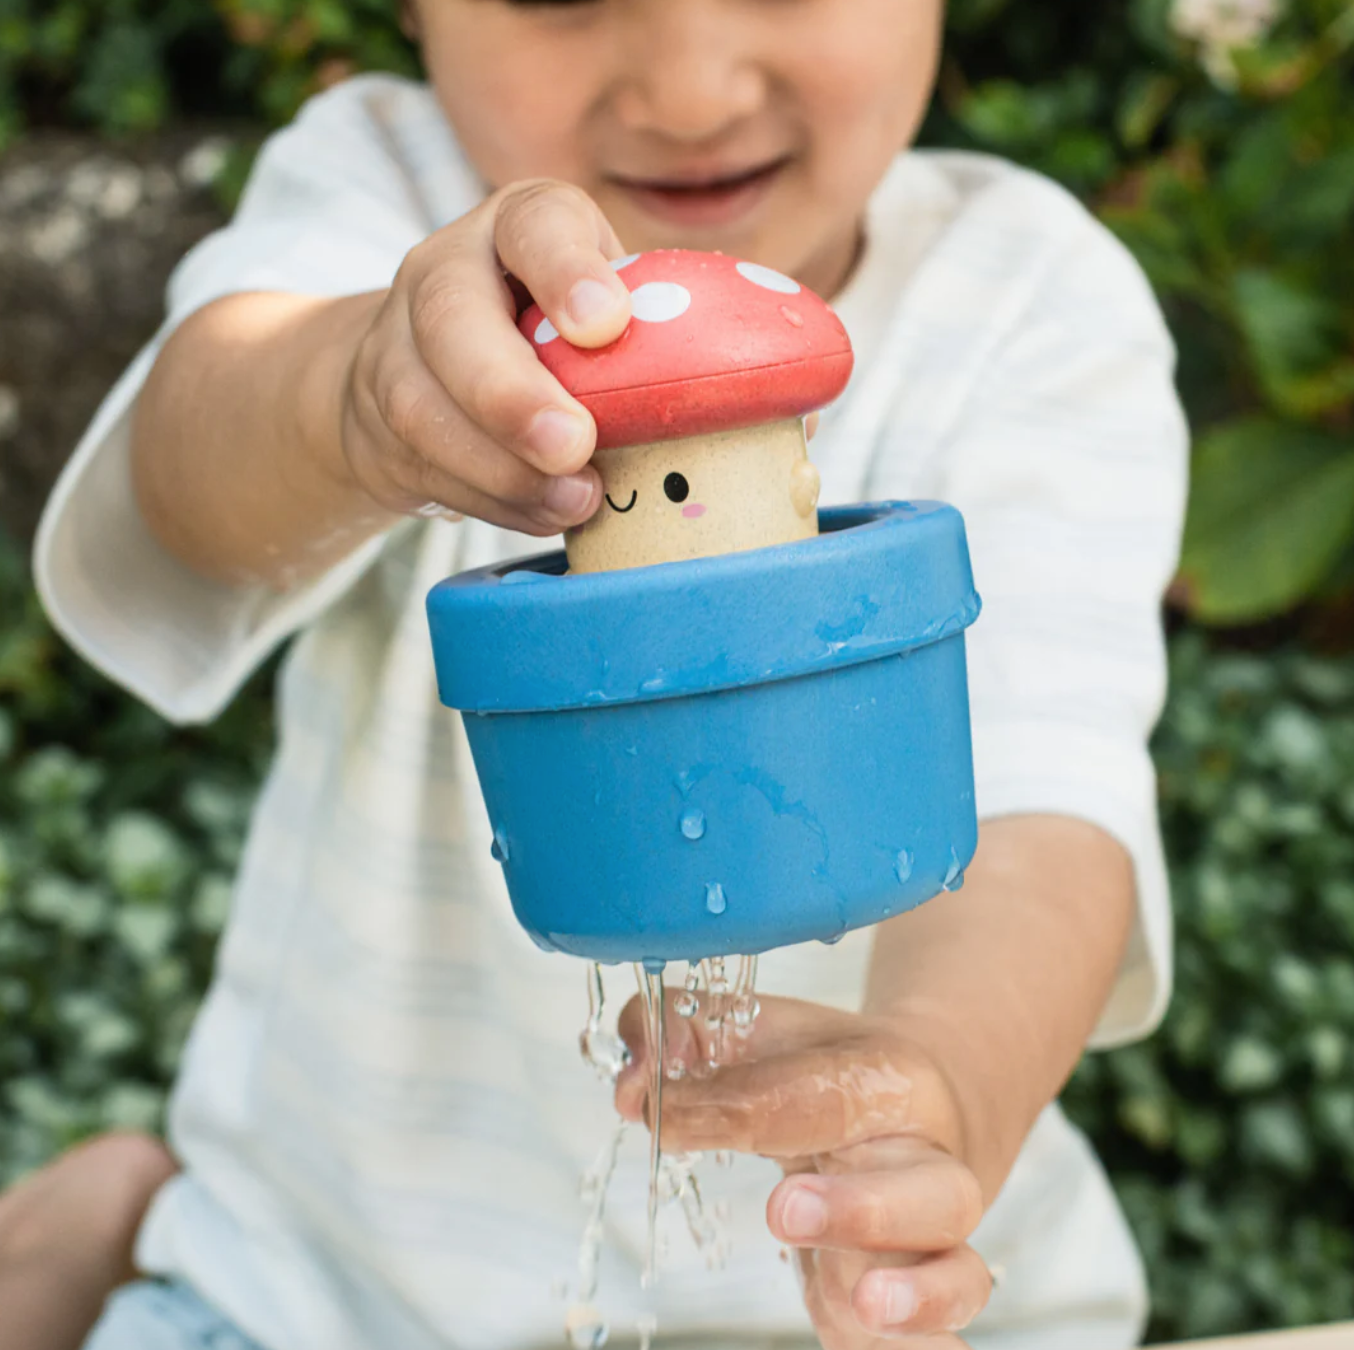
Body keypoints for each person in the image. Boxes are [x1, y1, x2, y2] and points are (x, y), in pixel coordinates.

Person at [10, 0, 1188, 1346]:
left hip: (886, 1311)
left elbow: (1047, 819)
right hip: (329, 1298)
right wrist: (350, 396)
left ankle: (81, 1226)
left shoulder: (1025, 296)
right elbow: (193, 481)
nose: (689, 93)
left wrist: (944, 1082)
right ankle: (100, 1230)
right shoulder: (385, 194)